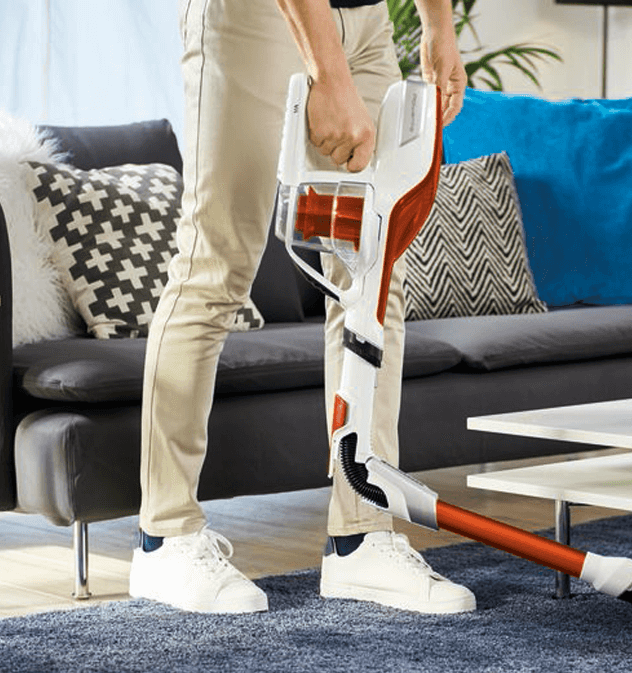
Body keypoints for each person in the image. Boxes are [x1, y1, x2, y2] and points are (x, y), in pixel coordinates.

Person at [129, 0, 474, 615]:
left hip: (366, 21)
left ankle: (361, 537)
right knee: (218, 263)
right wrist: (327, 73)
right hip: (255, 16)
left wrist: (438, 23)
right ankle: (165, 538)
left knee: (372, 271)